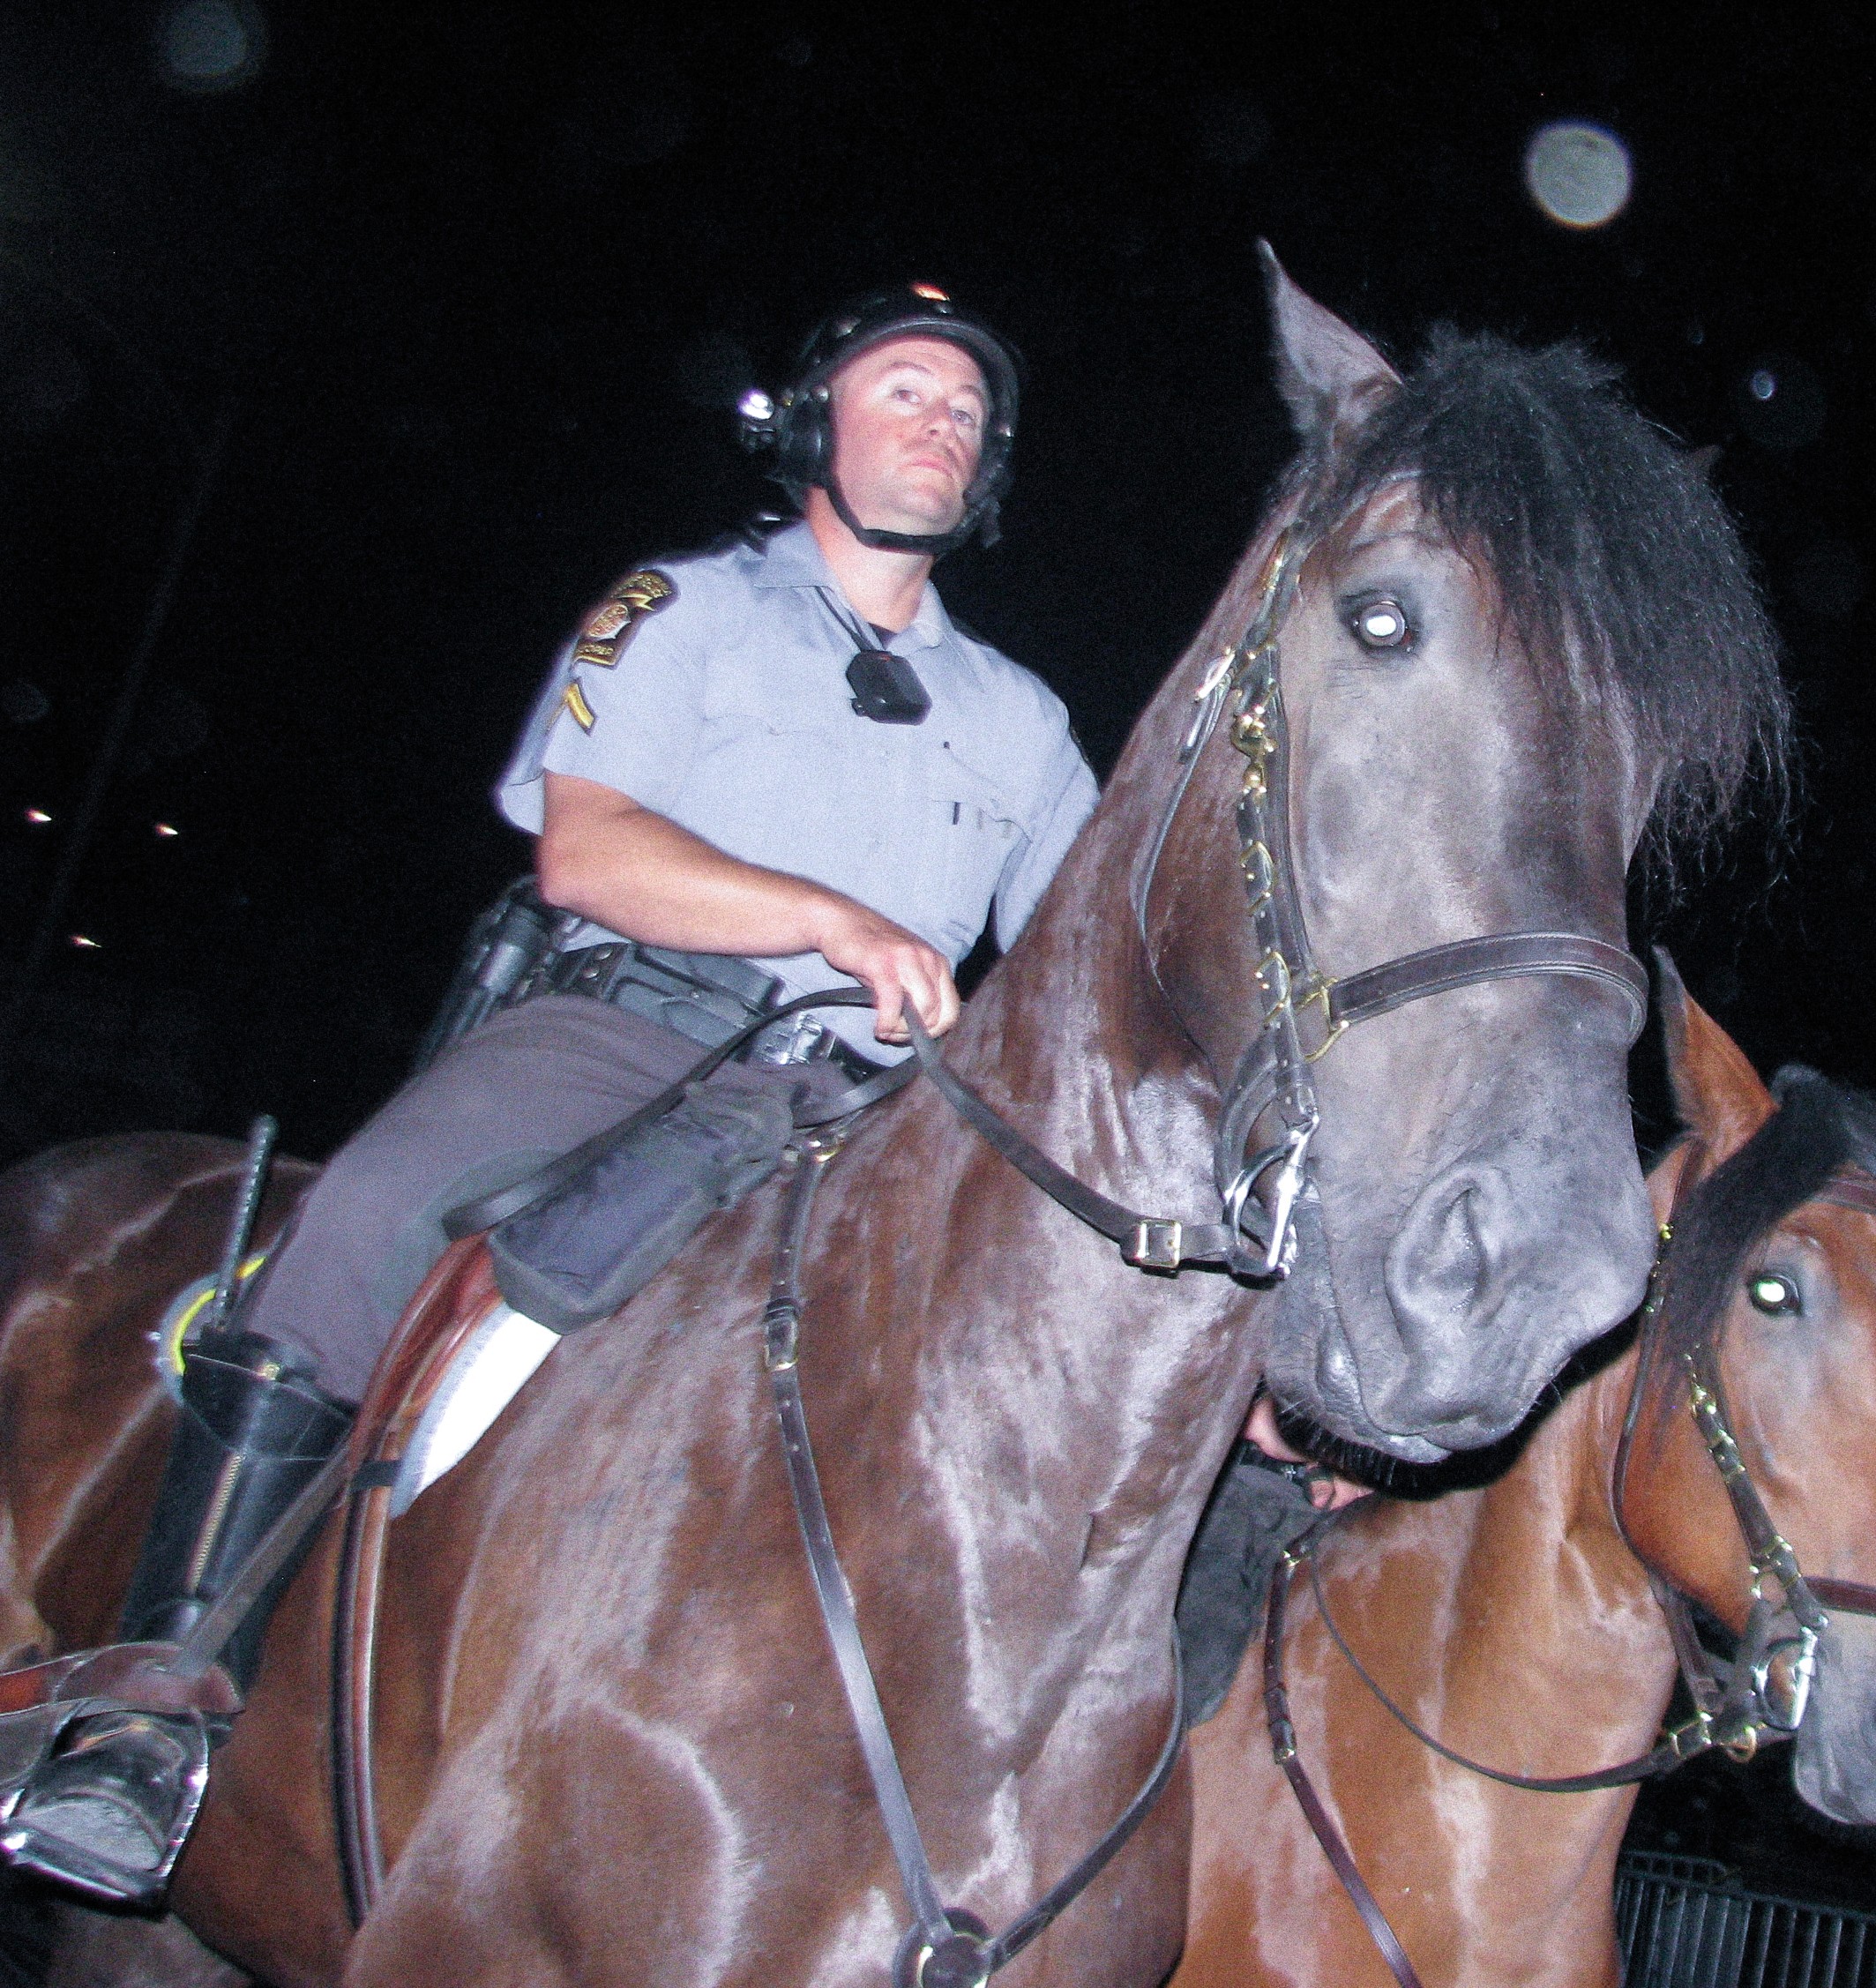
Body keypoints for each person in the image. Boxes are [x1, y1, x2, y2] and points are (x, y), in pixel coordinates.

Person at [0, 285, 1097, 1908]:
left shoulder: (1021, 717)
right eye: (905, 390)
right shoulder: (686, 607)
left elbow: (1084, 969)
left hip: (873, 1111)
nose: (942, 422)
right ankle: (146, 1699)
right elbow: (587, 847)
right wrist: (829, 915)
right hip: (632, 1031)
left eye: (966, 412)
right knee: (372, 1207)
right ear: (817, 427)